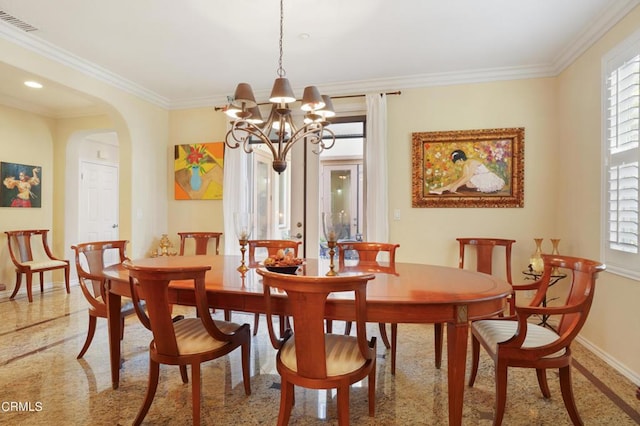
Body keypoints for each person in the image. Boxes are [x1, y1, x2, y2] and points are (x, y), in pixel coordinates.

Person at [429, 150, 504, 194]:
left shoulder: (471, 162)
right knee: (464, 181)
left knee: (468, 181)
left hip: (487, 178)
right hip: (478, 178)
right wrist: (453, 186)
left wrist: (456, 186)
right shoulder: (465, 165)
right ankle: (441, 189)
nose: (457, 165)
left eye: (457, 162)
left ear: (461, 159)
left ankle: (442, 189)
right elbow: (463, 177)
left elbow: (468, 177)